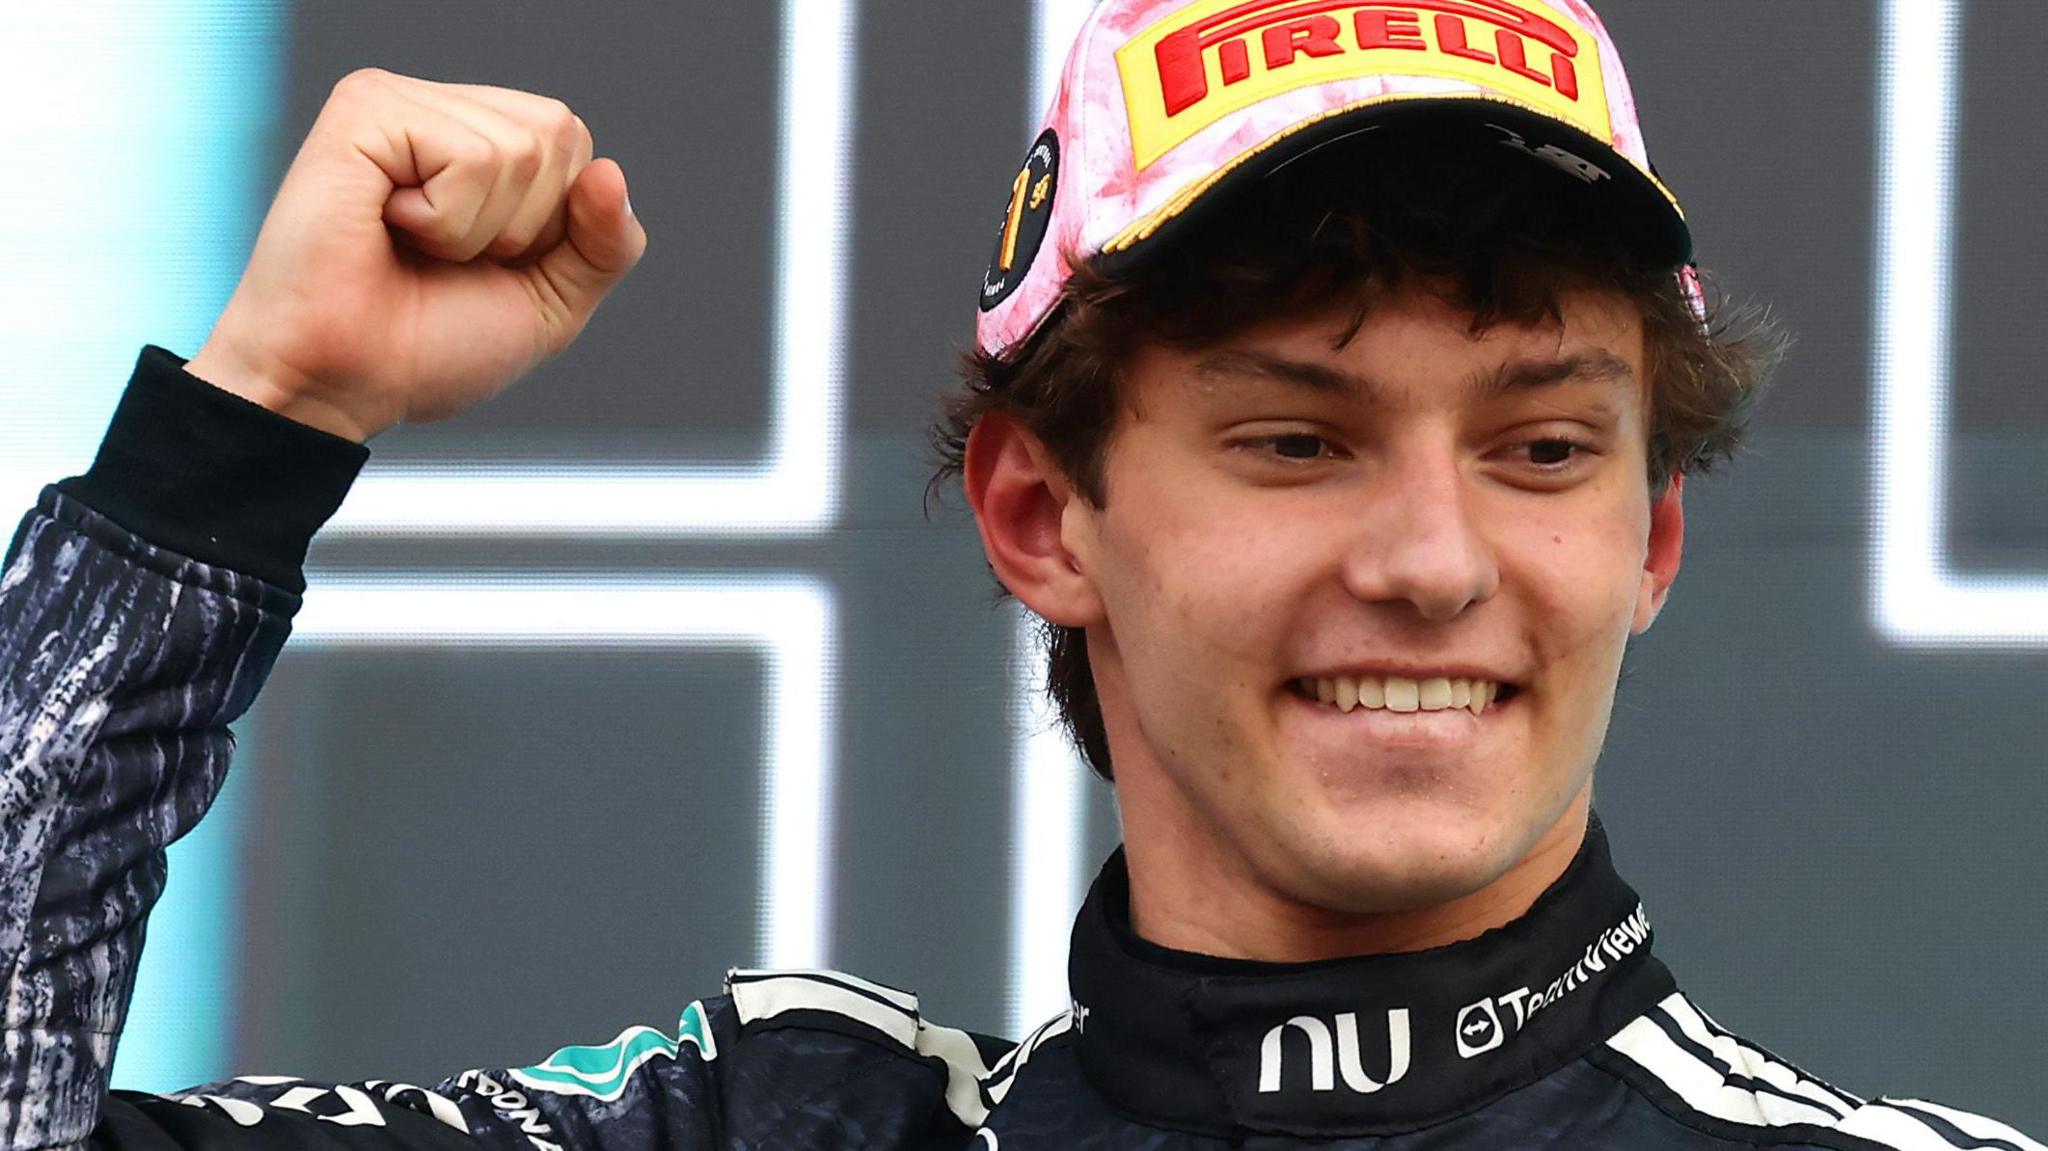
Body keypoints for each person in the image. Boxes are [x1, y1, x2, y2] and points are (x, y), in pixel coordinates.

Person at [0, 1, 2036, 1148]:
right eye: (1297, 439)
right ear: (1042, 517)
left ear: (1650, 540)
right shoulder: (788, 1130)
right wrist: (253, 429)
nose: (1433, 561)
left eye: (1541, 451)